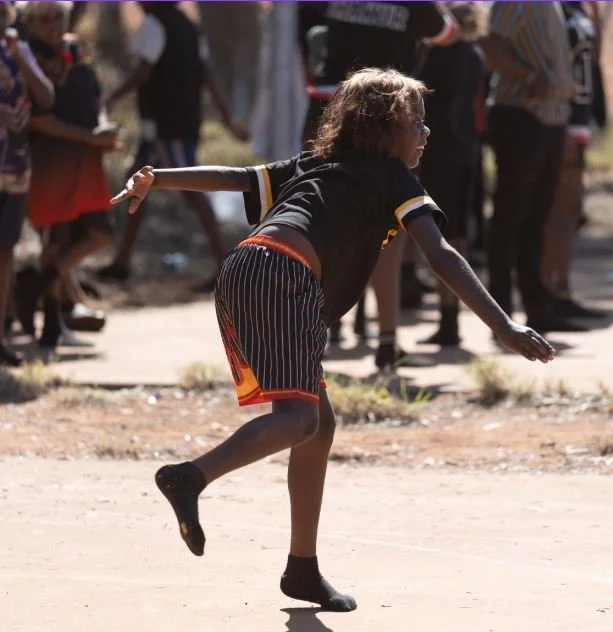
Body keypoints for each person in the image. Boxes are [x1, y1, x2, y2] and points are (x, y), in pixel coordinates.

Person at [111, 68, 556, 612]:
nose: (425, 134)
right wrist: (502, 326)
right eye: (416, 123)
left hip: (247, 266)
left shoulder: (314, 165)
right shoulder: (395, 178)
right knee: (299, 420)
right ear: (383, 131)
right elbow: (441, 255)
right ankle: (190, 477)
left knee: (318, 424)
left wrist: (158, 177)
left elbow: (234, 177)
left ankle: (302, 569)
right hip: (284, 273)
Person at [298, 1, 459, 367]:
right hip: (383, 117)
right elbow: (447, 33)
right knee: (389, 223)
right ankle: (387, 342)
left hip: (327, 105)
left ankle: (314, 334)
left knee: (321, 222)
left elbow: (306, 32)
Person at [96, 1, 248, 293]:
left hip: (166, 126)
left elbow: (143, 72)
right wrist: (229, 120)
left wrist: (111, 97)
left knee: (194, 192)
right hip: (178, 123)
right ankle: (122, 262)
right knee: (135, 184)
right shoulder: (189, 26)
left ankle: (223, 266)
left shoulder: (155, 24)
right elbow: (208, 77)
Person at [14, 0, 120, 350]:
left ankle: (35, 285)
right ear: (30, 23)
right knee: (55, 239)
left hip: (86, 161)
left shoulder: (75, 49)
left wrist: (104, 128)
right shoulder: (29, 58)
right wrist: (90, 136)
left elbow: (96, 97)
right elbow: (39, 118)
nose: (52, 25)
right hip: (52, 163)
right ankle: (51, 323)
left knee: (99, 232)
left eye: (57, 16)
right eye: (43, 19)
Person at [480, 1, 583, 334]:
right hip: (521, 116)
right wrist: (529, 76)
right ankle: (501, 316)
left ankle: (538, 311)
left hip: (551, 119)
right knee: (510, 217)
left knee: (537, 219)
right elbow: (491, 47)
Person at [417, 1, 485, 346]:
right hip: (466, 150)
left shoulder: (436, 58)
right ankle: (451, 317)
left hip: (438, 152)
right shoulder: (474, 57)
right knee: (457, 234)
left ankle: (447, 321)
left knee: (437, 237)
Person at [540, 1, 604, 321]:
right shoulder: (554, 9)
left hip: (581, 115)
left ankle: (561, 289)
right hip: (562, 116)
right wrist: (562, 123)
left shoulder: (579, 8)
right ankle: (547, 290)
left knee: (571, 209)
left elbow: (592, 59)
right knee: (556, 209)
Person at [0, 0, 54, 365]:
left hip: (15, 169)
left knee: (5, 252)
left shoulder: (16, 50)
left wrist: (19, 56)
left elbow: (46, 96)